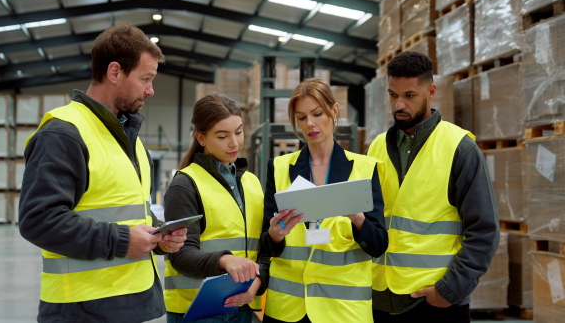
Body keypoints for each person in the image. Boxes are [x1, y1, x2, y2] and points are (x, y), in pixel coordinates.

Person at [18, 22, 187, 323]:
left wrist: (158, 234)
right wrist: (122, 240)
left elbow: (125, 211)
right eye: (145, 79)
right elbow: (38, 220)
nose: (151, 90)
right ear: (114, 73)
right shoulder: (64, 133)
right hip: (80, 309)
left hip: (130, 303)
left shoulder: (130, 141)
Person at [368, 51, 500, 323]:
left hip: (436, 304)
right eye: (393, 95)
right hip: (380, 300)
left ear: (431, 92)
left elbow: (484, 229)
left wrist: (451, 289)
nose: (399, 105)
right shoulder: (377, 146)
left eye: (410, 95)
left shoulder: (459, 148)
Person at [260, 78, 388, 323]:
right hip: (288, 309)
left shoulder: (364, 169)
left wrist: (358, 219)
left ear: (334, 111)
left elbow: (379, 245)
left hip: (342, 311)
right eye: (301, 117)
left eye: (317, 114)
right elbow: (265, 246)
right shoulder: (278, 168)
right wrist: (275, 234)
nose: (310, 124)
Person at [163, 94, 268, 323]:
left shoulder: (252, 183)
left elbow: (263, 248)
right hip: (198, 312)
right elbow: (179, 255)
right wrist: (226, 260)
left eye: (238, 132)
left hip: (244, 306)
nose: (234, 143)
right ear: (201, 138)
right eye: (223, 136)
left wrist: (255, 287)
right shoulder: (185, 184)